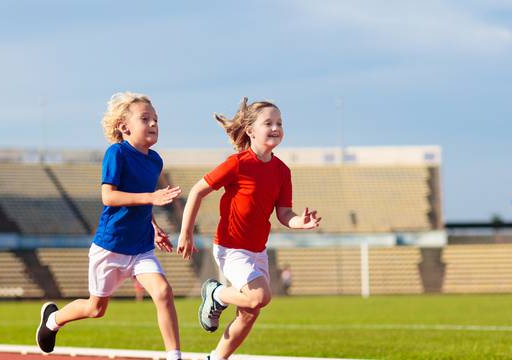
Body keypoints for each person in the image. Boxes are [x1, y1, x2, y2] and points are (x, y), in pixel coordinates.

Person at [36, 91, 183, 360]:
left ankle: (174, 356)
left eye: (156, 120)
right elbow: (109, 196)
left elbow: (140, 200)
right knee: (96, 309)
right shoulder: (117, 153)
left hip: (140, 248)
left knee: (163, 291)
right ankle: (53, 320)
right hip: (111, 246)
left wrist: (153, 227)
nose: (153, 124)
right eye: (145, 119)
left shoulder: (155, 160)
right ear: (124, 127)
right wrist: (151, 198)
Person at [177, 97, 321, 360]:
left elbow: (284, 213)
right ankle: (216, 293)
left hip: (257, 251)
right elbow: (198, 190)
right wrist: (185, 233)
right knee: (258, 298)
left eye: (280, 123)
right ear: (251, 130)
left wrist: (300, 222)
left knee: (250, 312)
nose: (276, 128)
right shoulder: (238, 163)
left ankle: (216, 358)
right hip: (231, 248)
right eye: (269, 123)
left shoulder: (282, 171)